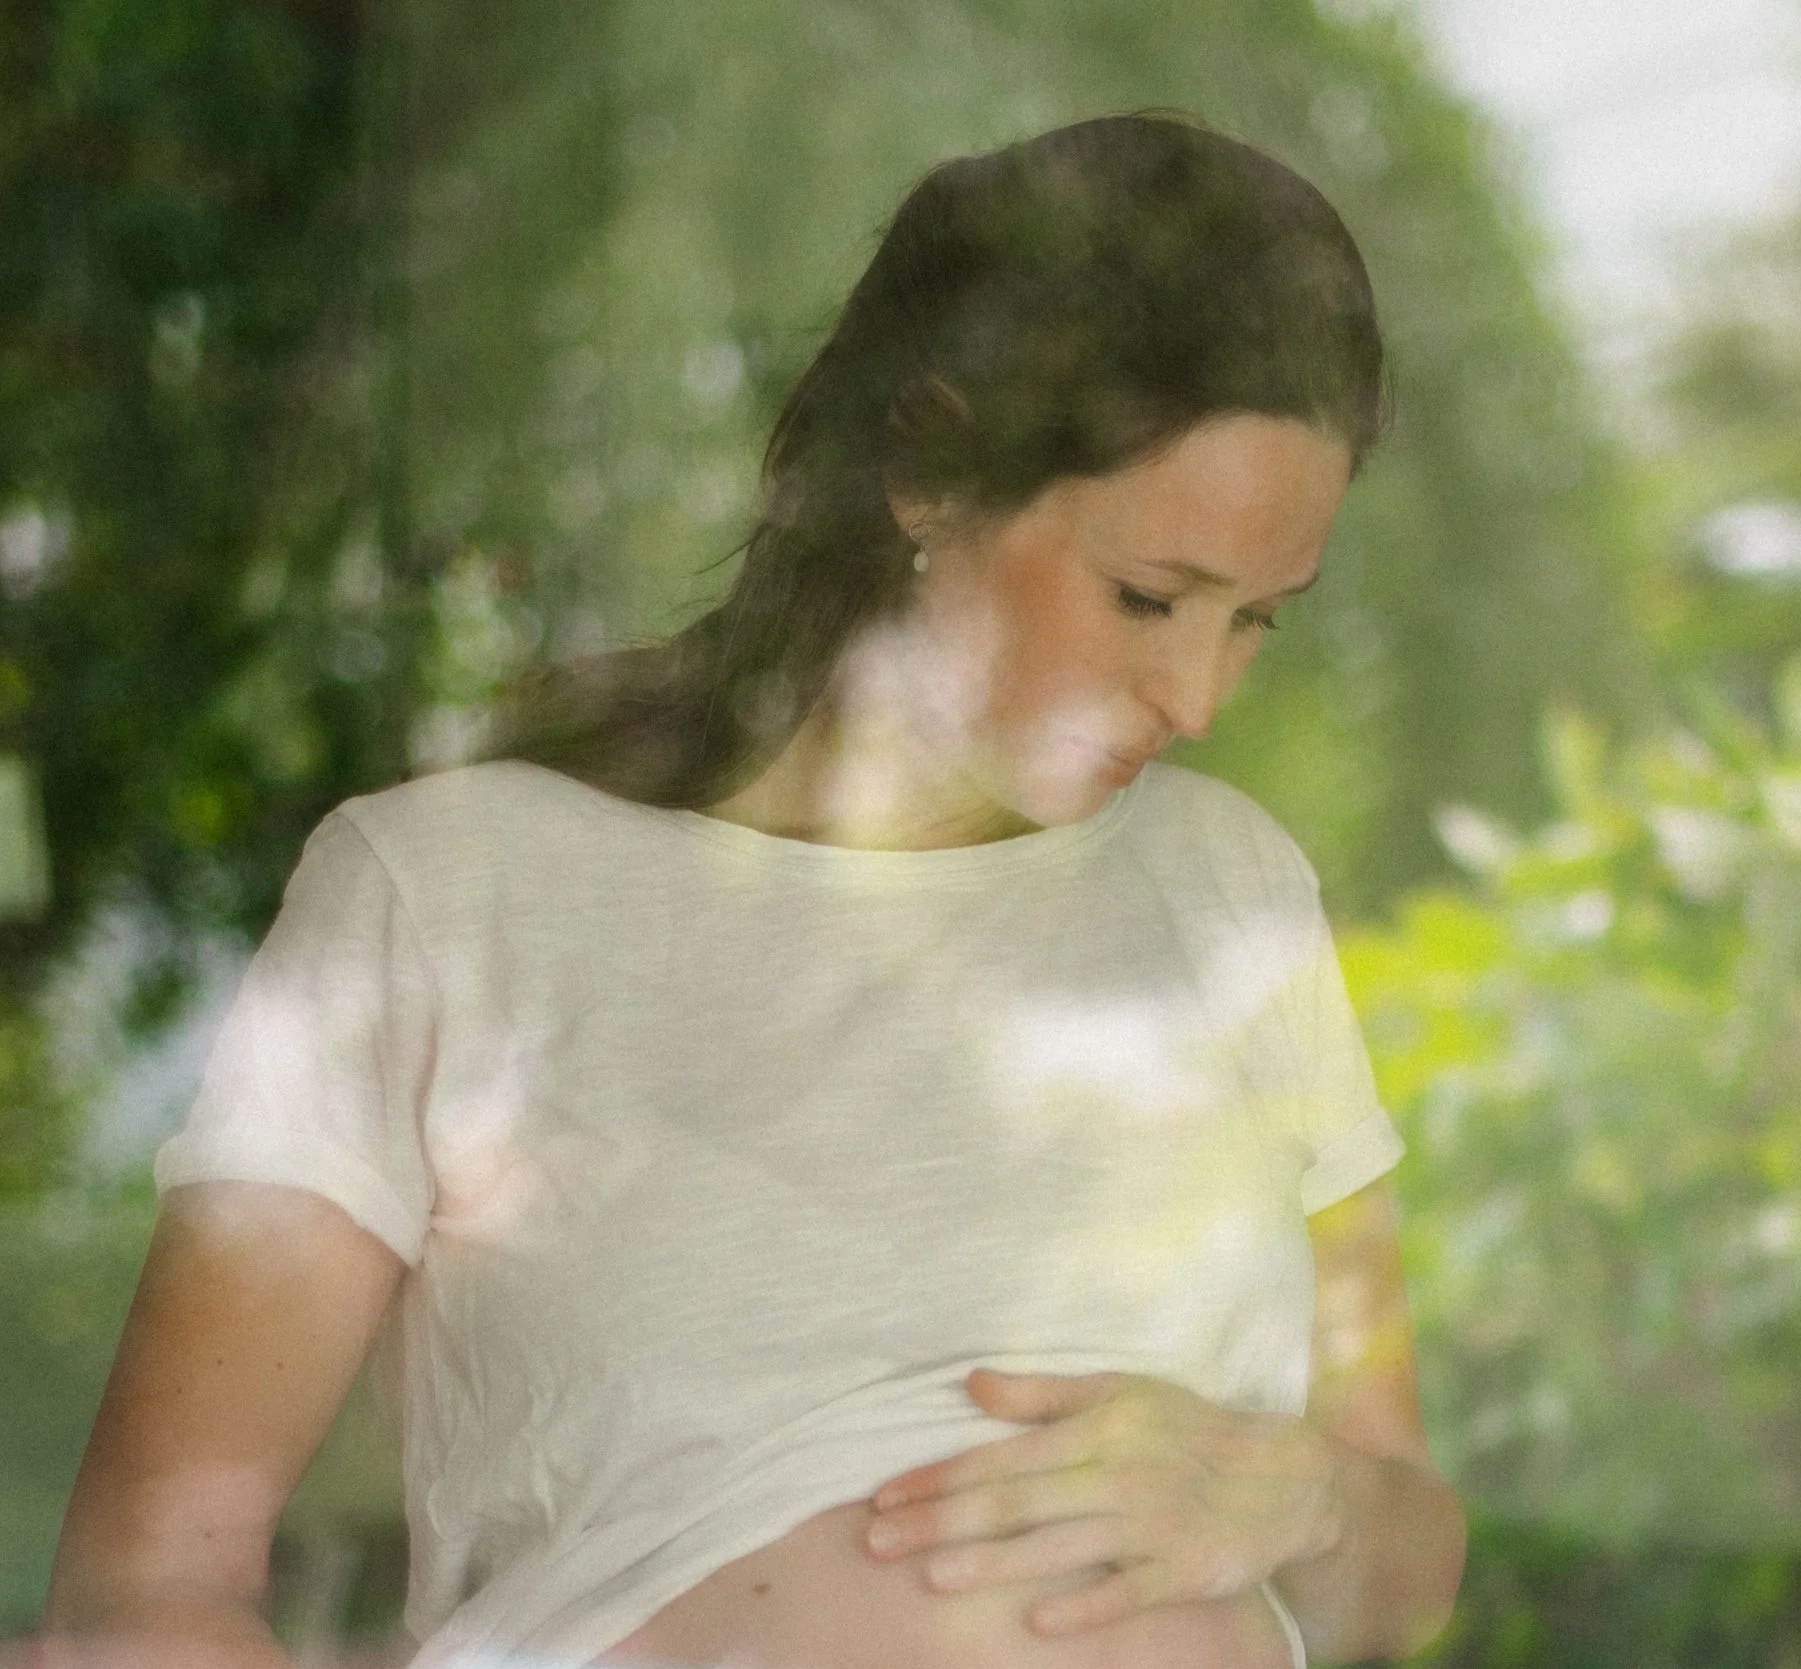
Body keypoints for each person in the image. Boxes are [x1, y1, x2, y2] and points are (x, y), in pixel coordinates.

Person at [40, 112, 1466, 1669]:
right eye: (1149, 597)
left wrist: (1315, 1500)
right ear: (928, 466)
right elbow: (153, 1585)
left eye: (1262, 621)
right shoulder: (454, 895)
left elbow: (1405, 1556)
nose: (1198, 698)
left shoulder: (1231, 897)